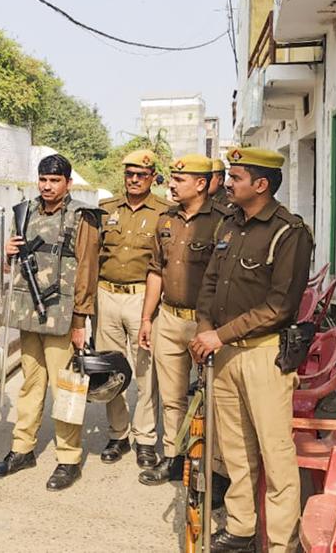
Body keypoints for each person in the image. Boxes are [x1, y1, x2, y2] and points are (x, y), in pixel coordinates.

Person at [188, 147, 313, 553]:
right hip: (222, 354)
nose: (227, 183)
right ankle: (241, 529)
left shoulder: (289, 232)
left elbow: (280, 306)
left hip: (263, 357)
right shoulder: (229, 225)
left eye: (235, 177)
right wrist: (205, 330)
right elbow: (209, 283)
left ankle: (281, 543)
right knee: (236, 450)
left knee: (276, 456)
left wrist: (217, 336)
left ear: (260, 184)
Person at [0, 153, 101, 491]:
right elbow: (11, 267)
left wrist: (81, 321)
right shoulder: (24, 213)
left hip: (63, 315)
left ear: (68, 182)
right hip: (28, 311)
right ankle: (22, 448)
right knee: (30, 383)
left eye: (54, 181)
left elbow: (87, 270)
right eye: (43, 179)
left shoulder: (82, 217)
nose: (47, 186)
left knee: (64, 386)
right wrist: (8, 252)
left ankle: (68, 457)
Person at [136, 155, 227, 488]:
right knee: (172, 398)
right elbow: (155, 271)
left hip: (207, 325)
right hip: (170, 319)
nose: (171, 184)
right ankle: (175, 458)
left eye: (179, 179)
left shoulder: (223, 221)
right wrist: (147, 318)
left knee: (213, 400)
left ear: (201, 184)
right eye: (172, 178)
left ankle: (214, 471)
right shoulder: (166, 219)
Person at [93, 149, 170, 470]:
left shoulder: (166, 212)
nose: (134, 180)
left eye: (141, 174)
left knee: (144, 372)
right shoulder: (105, 209)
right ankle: (118, 433)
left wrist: (149, 315)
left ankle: (146, 438)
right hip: (106, 295)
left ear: (153, 177)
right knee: (110, 372)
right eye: (129, 174)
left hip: (143, 298)